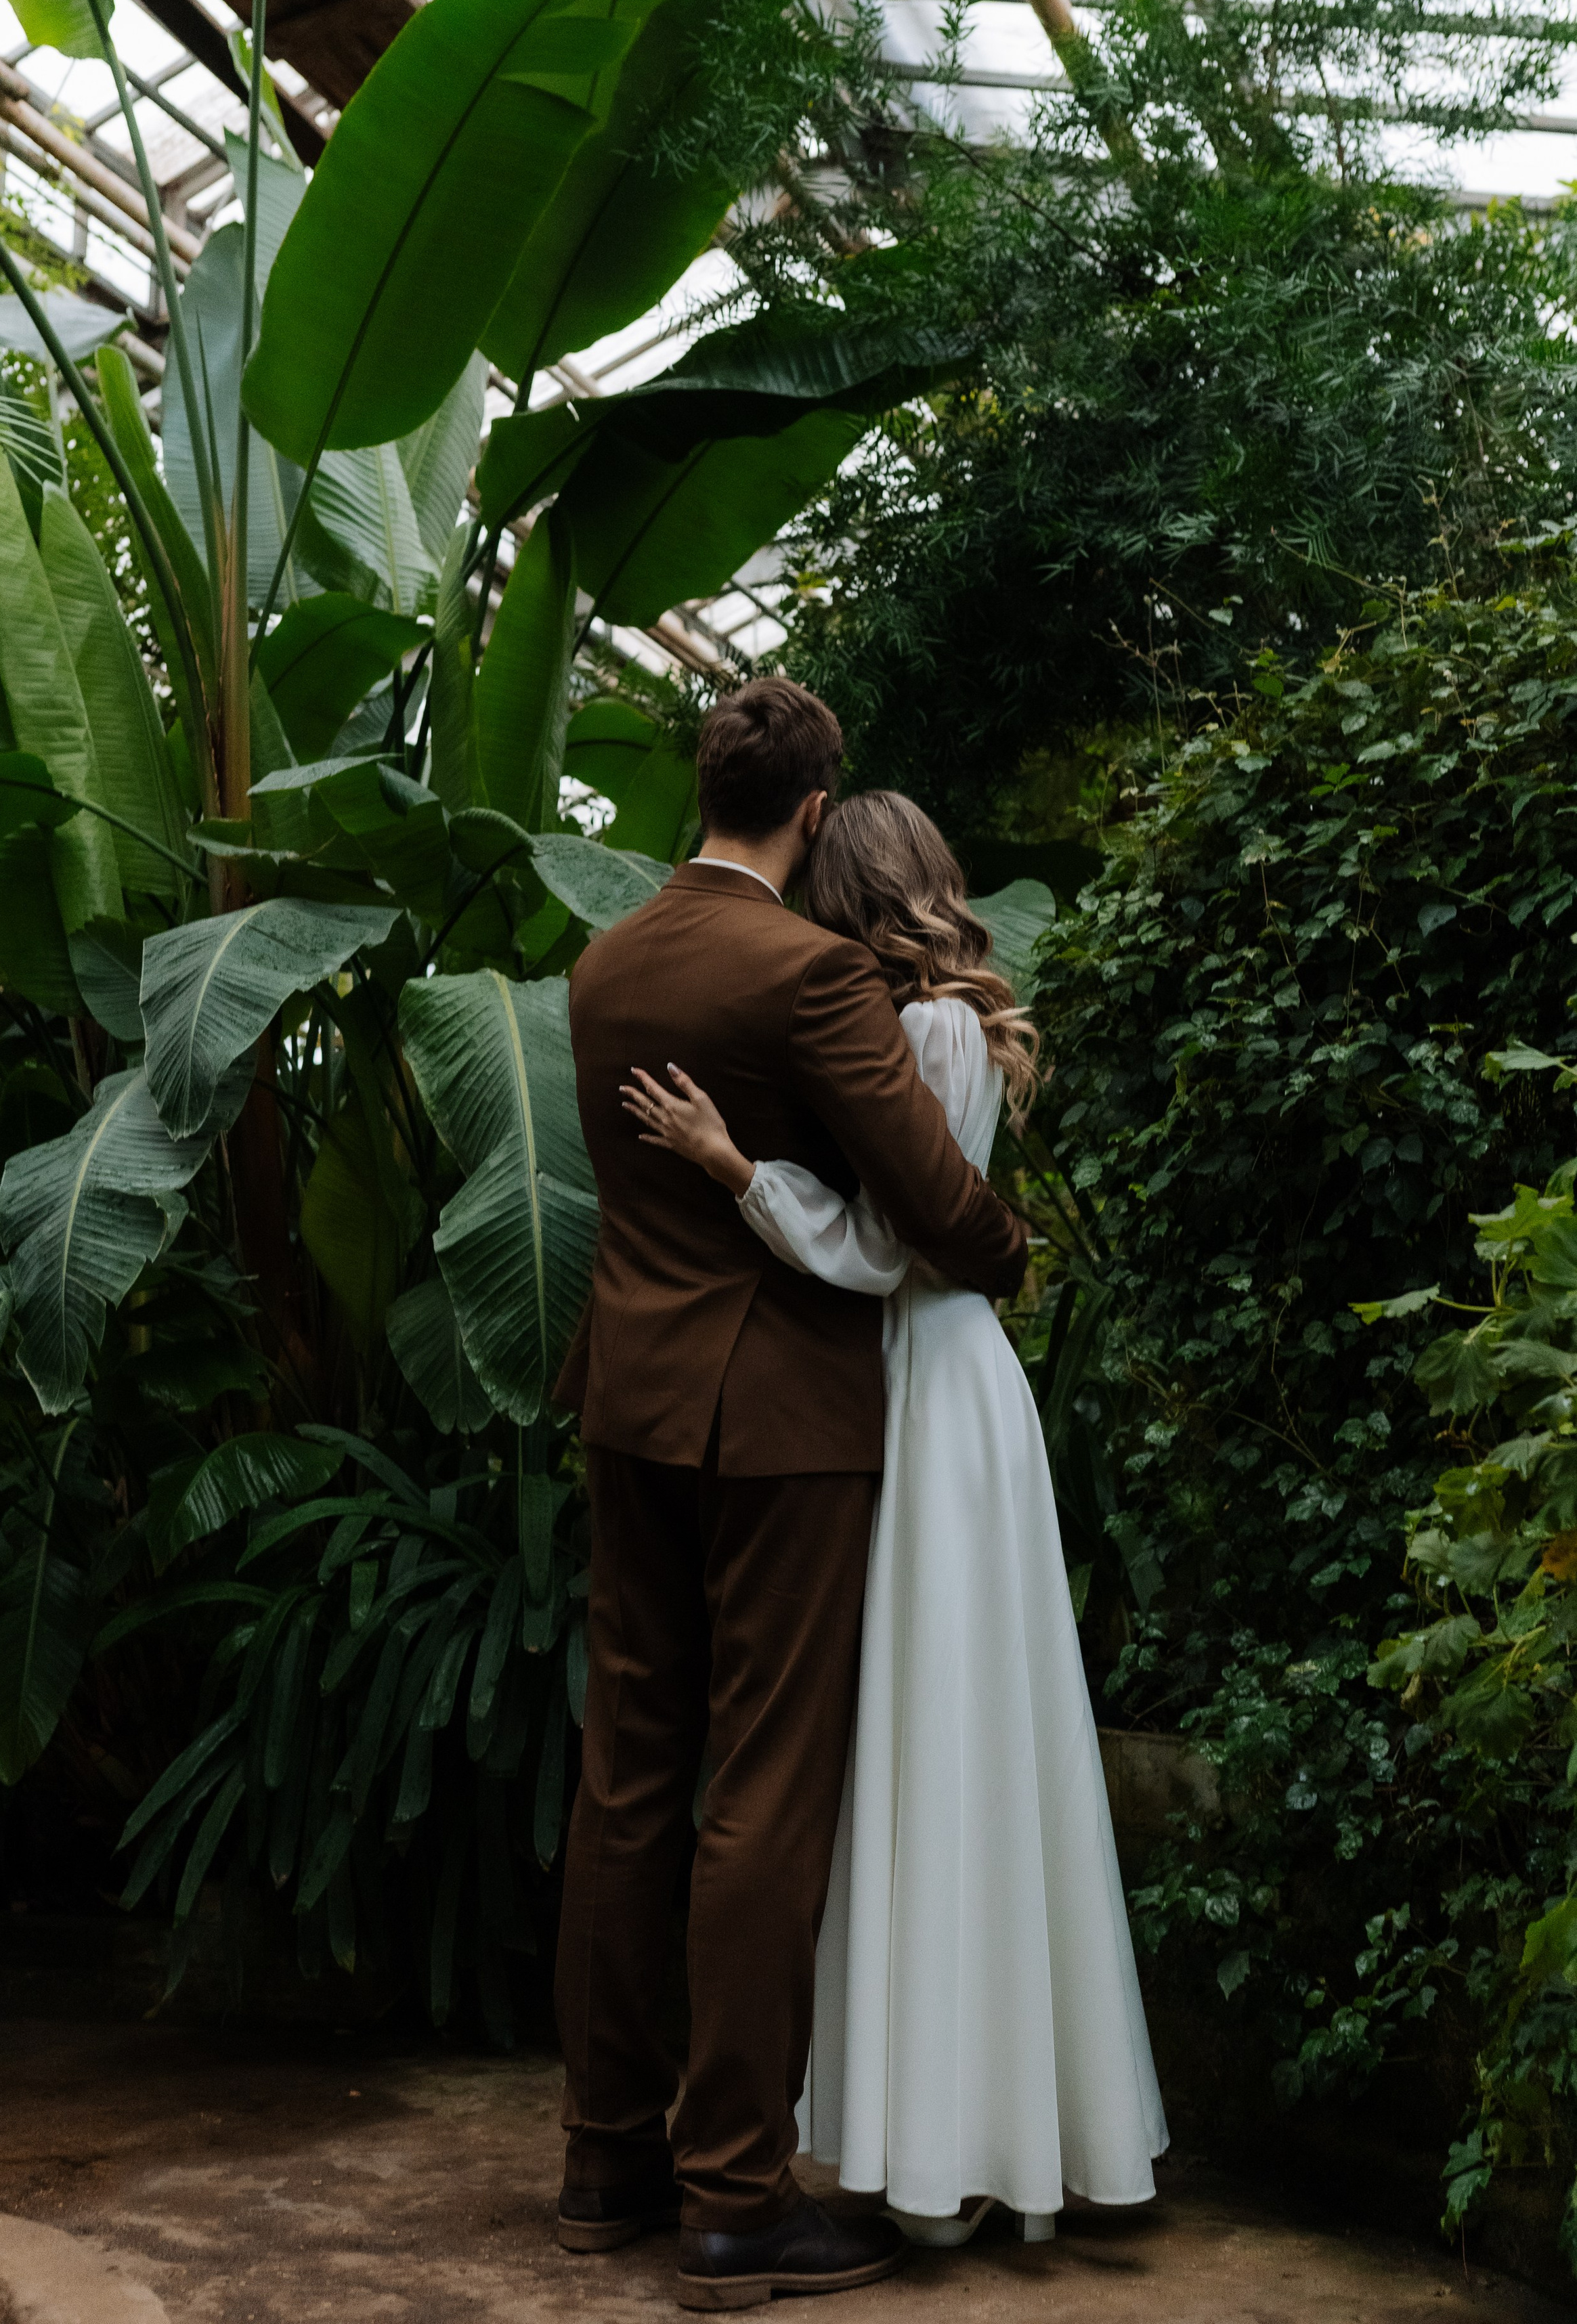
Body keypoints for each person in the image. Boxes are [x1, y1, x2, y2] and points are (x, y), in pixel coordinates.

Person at [624, 788, 1167, 2250]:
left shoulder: (916, 1032)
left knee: (924, 1749)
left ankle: (933, 2157)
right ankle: (1006, 2134)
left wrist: (733, 1167)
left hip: (919, 1386)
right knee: (979, 1746)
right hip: (964, 1394)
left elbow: (881, 1250)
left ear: (845, 891)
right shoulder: (954, 1023)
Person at [551, 684, 1031, 2312]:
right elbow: (934, 1203)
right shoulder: (810, 972)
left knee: (630, 1776)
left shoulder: (603, 968)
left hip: (628, 1411)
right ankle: (735, 2200)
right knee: (763, 1793)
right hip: (782, 1430)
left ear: (707, 788)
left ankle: (600, 2154)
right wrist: (1007, 1254)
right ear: (813, 810)